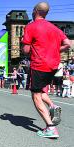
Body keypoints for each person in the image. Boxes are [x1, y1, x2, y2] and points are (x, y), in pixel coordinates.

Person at [22, 2, 71, 138]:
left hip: (39, 64)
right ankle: (52, 106)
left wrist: (26, 48)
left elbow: (26, 50)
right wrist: (55, 50)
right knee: (40, 89)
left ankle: (50, 128)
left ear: (35, 11)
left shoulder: (31, 26)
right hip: (54, 65)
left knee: (35, 95)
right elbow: (67, 44)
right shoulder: (54, 28)